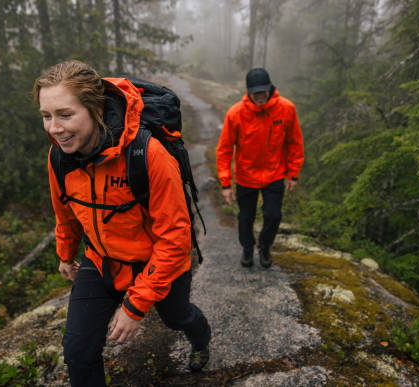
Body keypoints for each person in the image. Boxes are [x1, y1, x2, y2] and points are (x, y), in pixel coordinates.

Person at [33, 60, 211, 386]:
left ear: (96, 108)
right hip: (102, 262)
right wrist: (65, 253)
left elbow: (175, 239)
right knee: (78, 353)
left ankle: (201, 340)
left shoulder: (148, 154)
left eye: (65, 114)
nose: (54, 128)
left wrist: (135, 305)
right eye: (47, 116)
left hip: (158, 263)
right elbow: (66, 212)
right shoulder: (59, 157)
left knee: (177, 316)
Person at [216, 67, 304, 269]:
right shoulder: (236, 113)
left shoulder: (286, 109)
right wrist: (225, 183)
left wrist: (293, 173)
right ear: (248, 91)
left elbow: (295, 142)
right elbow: (224, 150)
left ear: (270, 87)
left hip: (275, 173)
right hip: (246, 176)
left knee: (274, 215)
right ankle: (248, 248)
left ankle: (265, 246)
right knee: (245, 217)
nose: (260, 96)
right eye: (255, 92)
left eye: (263, 91)